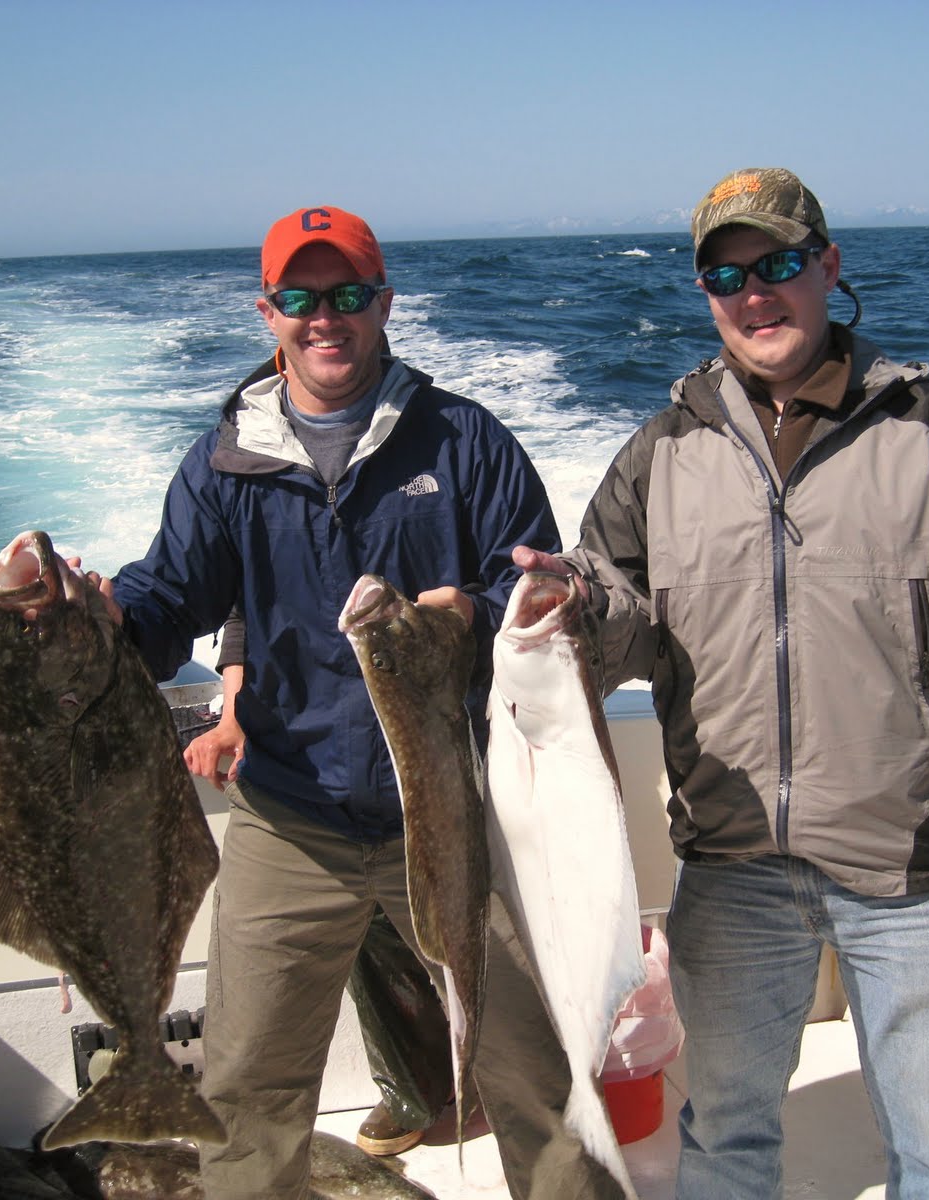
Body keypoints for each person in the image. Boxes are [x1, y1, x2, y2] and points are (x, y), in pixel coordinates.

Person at [516, 167, 929, 1199]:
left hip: (920, 872)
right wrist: (565, 604)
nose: (756, 293)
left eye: (781, 265)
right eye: (726, 273)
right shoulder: (658, 454)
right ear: (704, 293)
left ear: (829, 268)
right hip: (731, 861)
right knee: (725, 1142)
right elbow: (615, 612)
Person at [103, 205, 625, 1199]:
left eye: (347, 294)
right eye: (300, 298)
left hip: (461, 814)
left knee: (538, 1082)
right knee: (244, 1094)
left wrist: (469, 616)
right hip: (289, 813)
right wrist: (98, 624)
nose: (324, 317)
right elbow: (169, 595)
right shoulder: (226, 462)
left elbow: (531, 591)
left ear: (383, 303)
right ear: (268, 314)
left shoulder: (465, 441)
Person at [183, 630, 455, 1158]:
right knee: (361, 927)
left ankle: (503, 1075)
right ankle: (415, 1086)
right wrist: (234, 718)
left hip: (433, 742)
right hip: (315, 766)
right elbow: (244, 617)